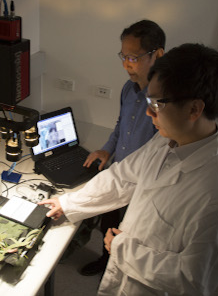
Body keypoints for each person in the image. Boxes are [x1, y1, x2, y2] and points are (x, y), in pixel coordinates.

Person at [40, 43, 218, 296]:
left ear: (194, 109)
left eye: (157, 104)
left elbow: (193, 278)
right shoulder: (166, 140)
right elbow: (121, 179)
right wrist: (69, 203)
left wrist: (123, 249)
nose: (148, 112)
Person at [79, 19, 165, 276]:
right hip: (120, 172)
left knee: (130, 235)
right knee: (109, 222)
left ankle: (120, 272)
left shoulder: (163, 99)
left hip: (144, 184)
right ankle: (105, 262)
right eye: (123, 56)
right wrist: (107, 149)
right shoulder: (128, 89)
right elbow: (120, 126)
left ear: (157, 55)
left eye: (134, 57)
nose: (126, 63)